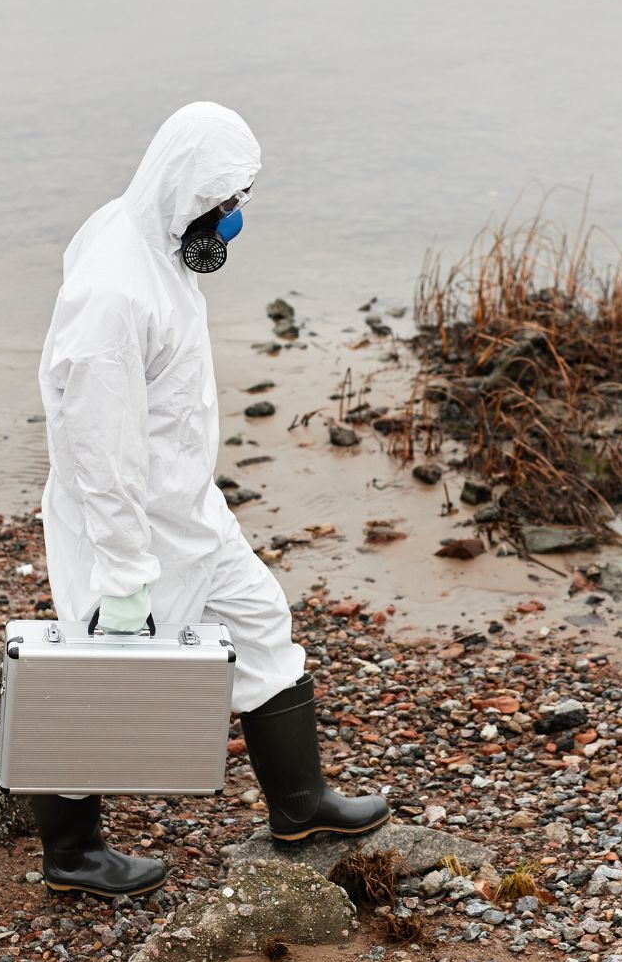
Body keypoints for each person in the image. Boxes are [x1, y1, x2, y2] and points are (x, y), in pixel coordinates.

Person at [32, 102, 389, 899]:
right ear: (187, 189)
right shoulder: (114, 295)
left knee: (260, 619)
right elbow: (100, 446)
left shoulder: (154, 244)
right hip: (126, 525)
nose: (233, 221)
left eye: (240, 203)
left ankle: (301, 806)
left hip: (187, 506)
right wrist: (123, 572)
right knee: (97, 678)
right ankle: (73, 854)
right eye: (226, 205)